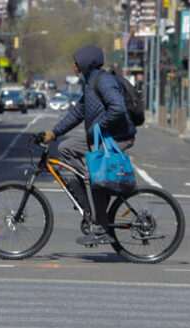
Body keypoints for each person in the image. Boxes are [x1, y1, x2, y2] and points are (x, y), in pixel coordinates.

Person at [42, 45, 136, 246]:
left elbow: (117, 108)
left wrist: (96, 128)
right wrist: (54, 133)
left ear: (86, 62)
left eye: (76, 62)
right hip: (100, 135)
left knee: (96, 178)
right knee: (64, 147)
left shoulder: (104, 81)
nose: (74, 66)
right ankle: (88, 202)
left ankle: (101, 228)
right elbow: (77, 113)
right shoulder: (90, 83)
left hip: (117, 136)